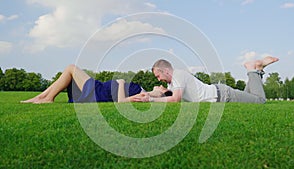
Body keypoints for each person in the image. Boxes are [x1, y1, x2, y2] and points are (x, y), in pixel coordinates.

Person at [133, 56, 279, 103]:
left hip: (222, 95)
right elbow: (165, 94)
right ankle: (257, 70)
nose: (159, 80)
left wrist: (151, 100)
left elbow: (175, 99)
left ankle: (252, 69)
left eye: (158, 76)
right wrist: (149, 94)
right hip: (221, 93)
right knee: (252, 97)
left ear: (165, 70)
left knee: (260, 100)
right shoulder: (174, 81)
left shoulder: (178, 75)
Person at [21, 64, 172, 104]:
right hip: (100, 89)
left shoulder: (150, 95)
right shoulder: (147, 92)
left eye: (163, 87)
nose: (159, 84)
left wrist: (120, 84)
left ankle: (45, 98)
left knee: (71, 68)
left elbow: (121, 101)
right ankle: (42, 97)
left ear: (163, 93)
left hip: (99, 92)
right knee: (69, 73)